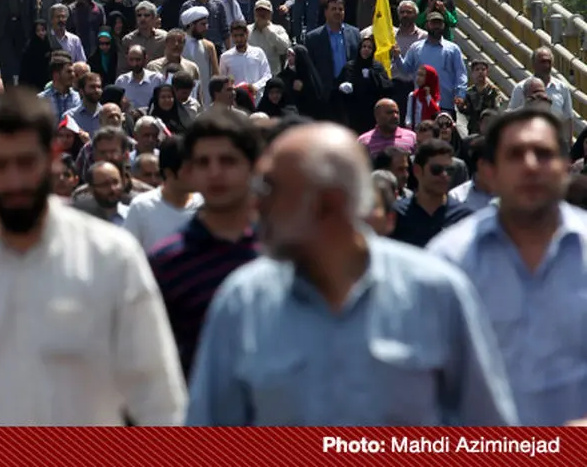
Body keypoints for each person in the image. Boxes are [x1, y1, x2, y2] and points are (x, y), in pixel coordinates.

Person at [187, 122, 517, 426]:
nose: (256, 204)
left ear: (327, 203)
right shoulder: (242, 302)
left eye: (270, 189)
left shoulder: (435, 293)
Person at [0, 90, 186, 425]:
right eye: (0, 165)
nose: (14, 180)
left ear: (52, 157)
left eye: (26, 163)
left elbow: (159, 402)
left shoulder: (111, 258)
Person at [428, 109, 584, 425]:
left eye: (543, 154)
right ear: (490, 172)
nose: (530, 165)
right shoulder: (449, 261)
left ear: (565, 166)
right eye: (515, 155)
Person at [148, 110, 260, 381]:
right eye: (203, 162)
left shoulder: (284, 253)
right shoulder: (167, 262)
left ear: (253, 167)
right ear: (189, 171)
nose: (215, 173)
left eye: (228, 161)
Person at [121, 134, 204, 252]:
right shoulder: (141, 207)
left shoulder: (206, 206)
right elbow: (127, 253)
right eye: (189, 170)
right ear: (169, 172)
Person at [390, 139, 474, 248]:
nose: (444, 175)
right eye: (436, 169)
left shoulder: (463, 217)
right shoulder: (396, 215)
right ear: (417, 171)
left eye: (449, 170)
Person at [302, 0, 360, 105]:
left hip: (350, 90)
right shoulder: (313, 37)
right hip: (325, 93)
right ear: (325, 12)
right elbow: (309, 67)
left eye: (340, 9)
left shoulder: (355, 34)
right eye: (333, 9)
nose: (337, 12)